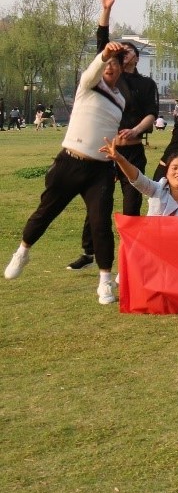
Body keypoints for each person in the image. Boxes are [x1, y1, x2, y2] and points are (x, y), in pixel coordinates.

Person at [4, 43, 129, 305]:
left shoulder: (120, 99)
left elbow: (108, 129)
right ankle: (22, 251)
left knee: (100, 224)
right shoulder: (88, 86)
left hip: (100, 170)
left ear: (121, 69)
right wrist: (104, 54)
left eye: (115, 64)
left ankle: (105, 282)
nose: (109, 67)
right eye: (106, 63)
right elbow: (93, 69)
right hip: (69, 163)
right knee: (46, 211)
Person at [68, 0, 161, 271]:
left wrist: (135, 130)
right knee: (99, 202)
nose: (124, 52)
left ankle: (130, 253)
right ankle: (89, 252)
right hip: (105, 152)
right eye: (121, 51)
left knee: (132, 203)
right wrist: (106, 9)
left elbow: (151, 114)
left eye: (129, 50)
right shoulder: (110, 80)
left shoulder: (146, 84)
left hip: (132, 151)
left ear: (136, 57)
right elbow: (102, 44)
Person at [100, 136, 178, 217]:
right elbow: (137, 179)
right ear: (167, 173)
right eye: (174, 168)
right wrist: (120, 159)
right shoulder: (157, 189)